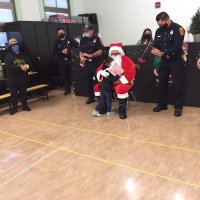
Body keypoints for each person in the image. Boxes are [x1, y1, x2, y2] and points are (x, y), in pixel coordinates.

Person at [151, 12, 185, 117]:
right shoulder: (158, 31)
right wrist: (154, 50)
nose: (160, 26)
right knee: (161, 83)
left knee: (177, 84)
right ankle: (162, 104)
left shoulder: (178, 28)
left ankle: (178, 107)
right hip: (164, 61)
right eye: (159, 25)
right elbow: (155, 44)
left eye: (161, 24)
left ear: (167, 19)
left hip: (175, 60)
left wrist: (162, 53)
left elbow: (177, 47)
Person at [95, 43, 136, 119]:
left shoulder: (126, 60)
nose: (114, 55)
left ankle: (122, 110)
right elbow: (99, 69)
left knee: (120, 88)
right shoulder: (107, 60)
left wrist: (119, 80)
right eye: (112, 53)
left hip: (123, 82)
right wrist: (101, 72)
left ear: (120, 52)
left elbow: (131, 72)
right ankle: (103, 107)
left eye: (116, 53)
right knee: (97, 87)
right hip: (109, 82)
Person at [5, 38, 32, 115]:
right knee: (14, 95)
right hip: (13, 80)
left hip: (23, 79)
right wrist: (20, 68)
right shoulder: (8, 56)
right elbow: (9, 67)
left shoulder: (24, 55)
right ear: (10, 47)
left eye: (16, 45)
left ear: (18, 45)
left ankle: (25, 106)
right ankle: (14, 108)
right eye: (12, 45)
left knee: (23, 94)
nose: (14, 46)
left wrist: (26, 66)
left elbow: (30, 64)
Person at [80, 23, 104, 104]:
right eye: (85, 31)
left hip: (96, 63)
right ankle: (91, 97)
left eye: (87, 30)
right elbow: (81, 51)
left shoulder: (97, 39)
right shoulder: (82, 39)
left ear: (92, 30)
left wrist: (90, 55)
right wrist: (82, 57)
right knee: (88, 80)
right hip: (87, 64)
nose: (86, 32)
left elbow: (100, 51)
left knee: (99, 80)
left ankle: (101, 97)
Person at [53, 27, 79, 95]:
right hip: (62, 61)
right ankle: (67, 89)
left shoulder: (70, 39)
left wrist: (69, 50)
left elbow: (77, 45)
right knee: (64, 76)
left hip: (70, 59)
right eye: (59, 33)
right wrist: (61, 51)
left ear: (64, 32)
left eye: (62, 32)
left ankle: (76, 88)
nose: (61, 34)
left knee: (73, 74)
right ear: (57, 34)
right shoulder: (56, 42)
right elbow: (54, 52)